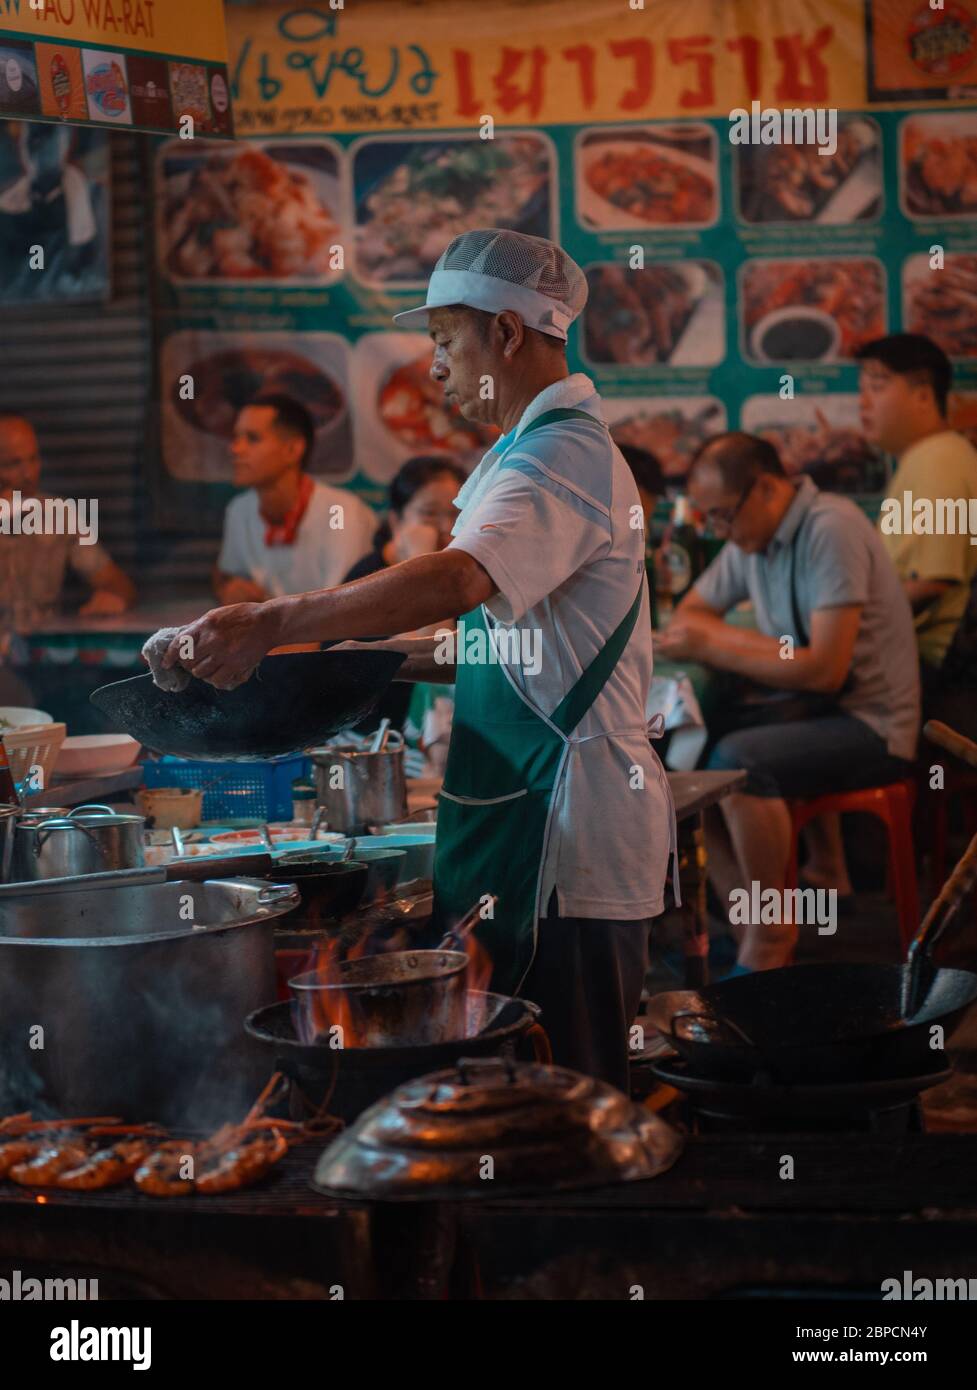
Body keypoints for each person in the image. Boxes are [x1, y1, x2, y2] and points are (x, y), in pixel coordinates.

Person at [162, 228, 676, 1092]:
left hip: (565, 838)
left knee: (574, 1096)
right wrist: (345, 657)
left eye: (444, 340)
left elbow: (457, 580)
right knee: (506, 1098)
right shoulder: (519, 452)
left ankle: (585, 1231)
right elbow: (496, 642)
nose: (433, 365)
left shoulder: (563, 455)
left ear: (507, 333)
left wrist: (278, 619)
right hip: (516, 822)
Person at [656, 431, 919, 971]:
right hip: (812, 710)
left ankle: (771, 941)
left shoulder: (832, 527)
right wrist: (737, 645)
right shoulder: (752, 538)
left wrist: (714, 644)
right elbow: (690, 613)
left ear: (769, 488)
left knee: (739, 764)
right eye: (711, 521)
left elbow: (824, 669)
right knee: (687, 762)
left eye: (724, 516)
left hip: (872, 723)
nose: (720, 532)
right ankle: (745, 923)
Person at [858, 332, 977, 737]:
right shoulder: (926, 458)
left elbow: (933, 583)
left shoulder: (938, 459)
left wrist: (839, 623)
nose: (863, 403)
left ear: (924, 394)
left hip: (934, 675)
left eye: (877, 386)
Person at [343, 454, 468, 734]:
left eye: (456, 514)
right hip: (371, 740)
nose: (447, 527)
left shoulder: (467, 578)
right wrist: (423, 561)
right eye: (429, 514)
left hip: (438, 742)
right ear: (396, 522)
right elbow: (432, 654)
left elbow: (450, 661)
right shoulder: (368, 577)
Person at [214, 393, 376, 604]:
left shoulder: (342, 512)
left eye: (252, 438)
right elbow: (225, 573)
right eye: (236, 438)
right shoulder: (239, 510)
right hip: (280, 634)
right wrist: (230, 588)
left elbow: (343, 609)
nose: (235, 449)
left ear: (293, 450)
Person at [0, 413, 135, 620]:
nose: (28, 474)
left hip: (38, 648)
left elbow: (115, 582)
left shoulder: (58, 514)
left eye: (33, 459)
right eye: (13, 464)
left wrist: (113, 597)